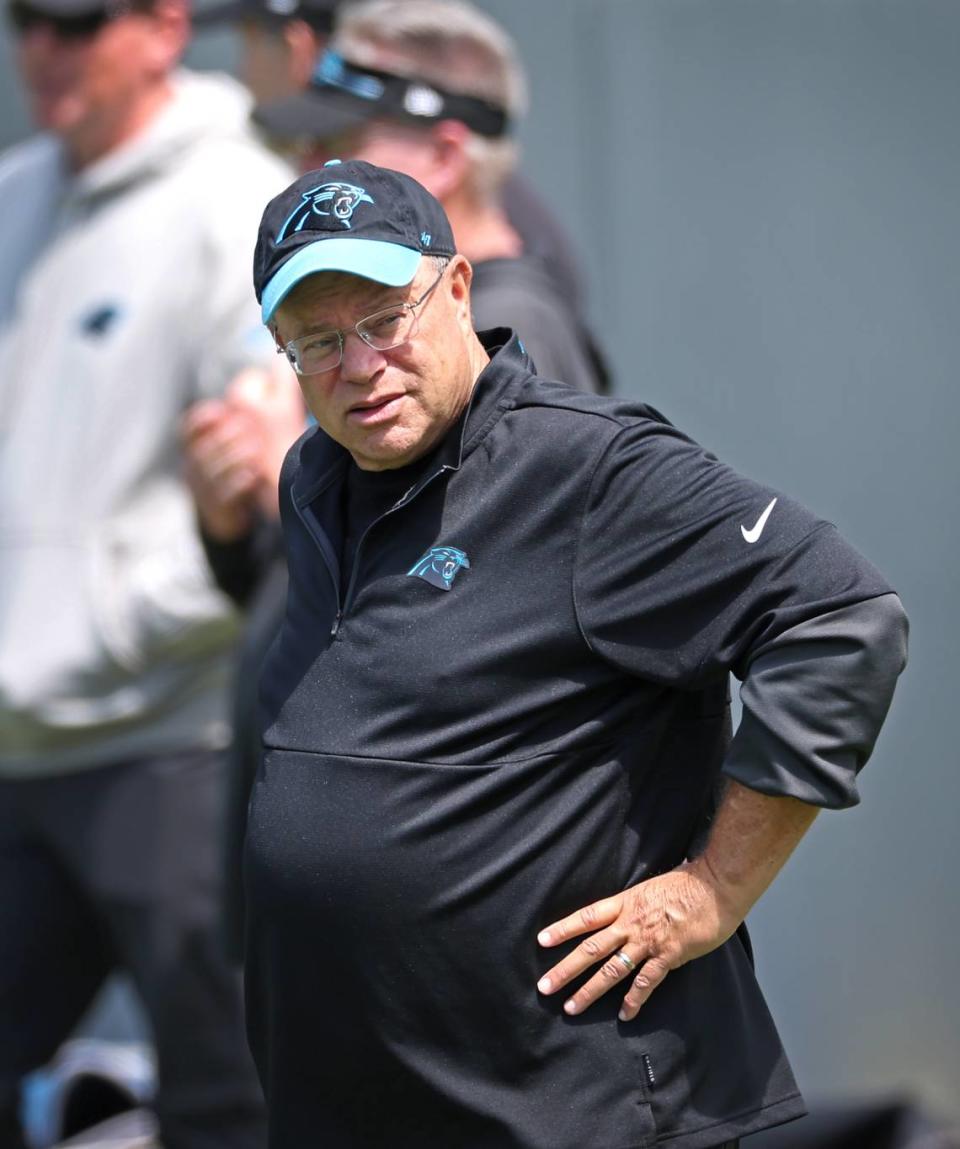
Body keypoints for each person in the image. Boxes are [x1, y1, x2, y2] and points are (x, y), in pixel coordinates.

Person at [241, 158, 909, 1148]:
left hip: (569, 1109)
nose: (360, 365)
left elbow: (842, 617)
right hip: (362, 1103)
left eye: (384, 320)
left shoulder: (589, 471)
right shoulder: (317, 481)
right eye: (320, 341)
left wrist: (713, 889)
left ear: (458, 289)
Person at [0, 0, 293, 1144]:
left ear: (166, 27)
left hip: (173, 748)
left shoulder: (238, 204)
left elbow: (272, 463)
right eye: (23, 19)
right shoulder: (14, 196)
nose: (40, 51)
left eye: (74, 21)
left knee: (231, 1102)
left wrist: (126, 623)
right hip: (17, 748)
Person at [253, 0, 610, 392]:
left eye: (340, 144)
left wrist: (282, 447)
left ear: (444, 156)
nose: (312, 168)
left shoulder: (503, 327)